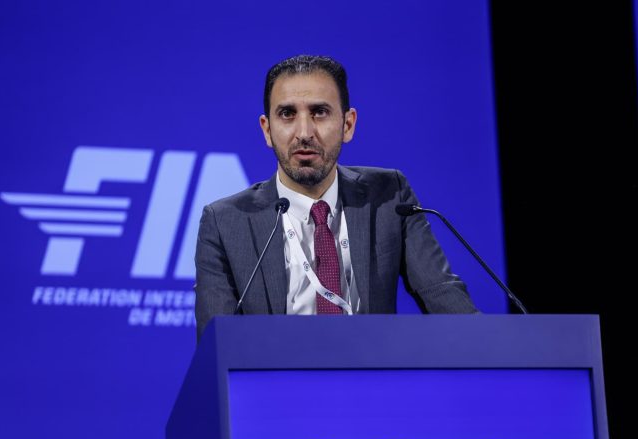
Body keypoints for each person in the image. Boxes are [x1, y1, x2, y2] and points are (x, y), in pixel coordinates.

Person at [194, 54, 477, 339]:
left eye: (319, 112)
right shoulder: (225, 222)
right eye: (287, 114)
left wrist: (488, 347)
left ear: (347, 124)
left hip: (372, 367)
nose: (304, 133)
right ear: (267, 130)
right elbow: (216, 346)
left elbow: (442, 294)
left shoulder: (389, 195)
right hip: (276, 368)